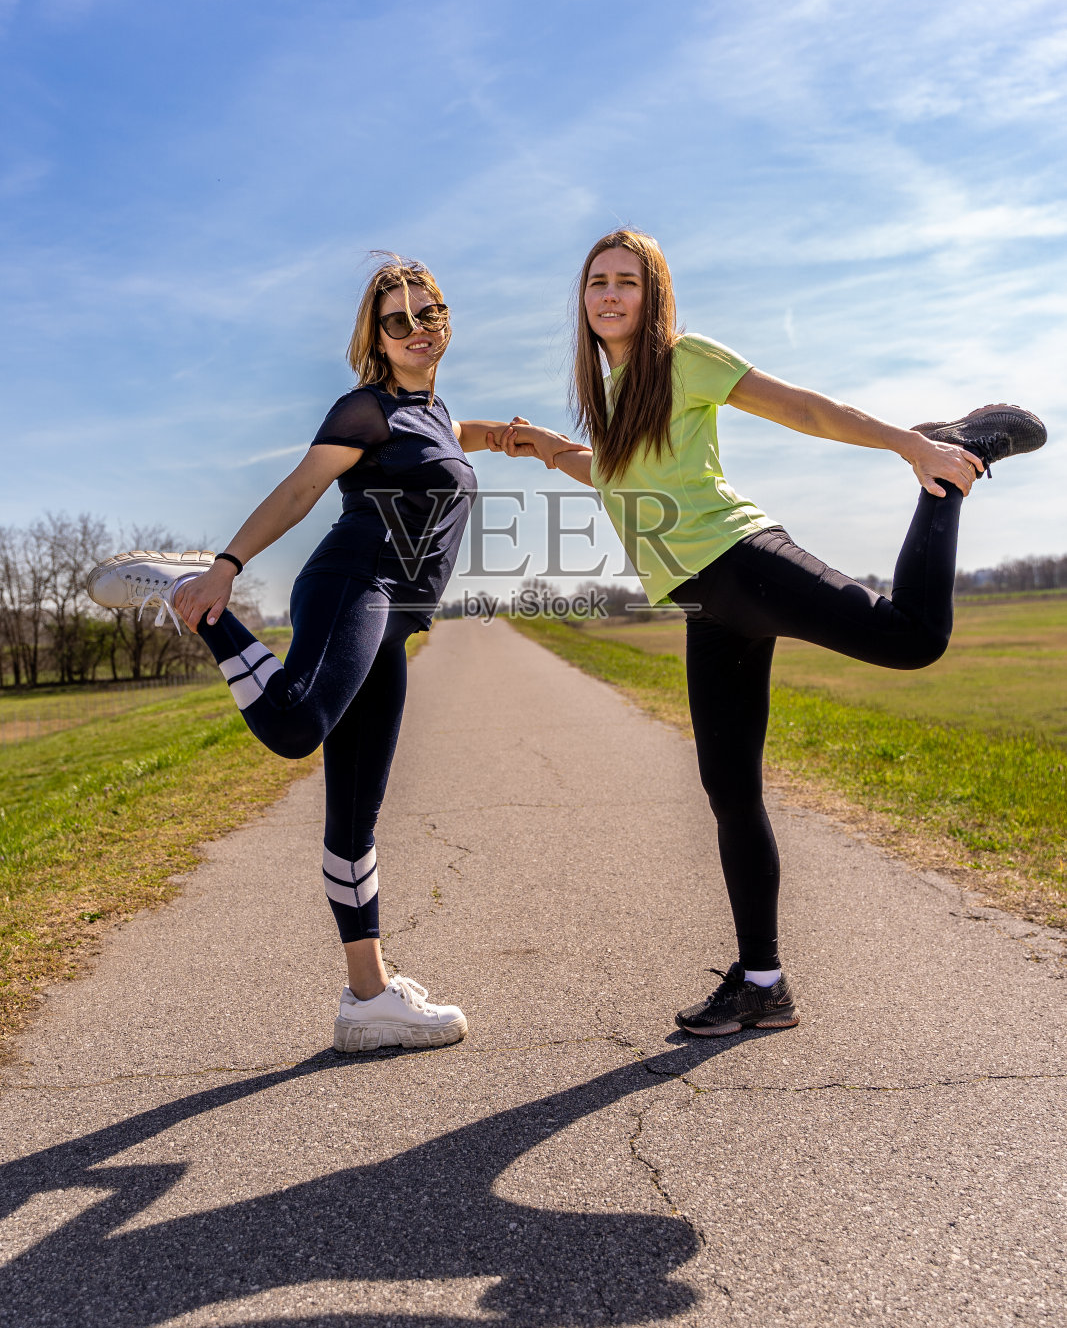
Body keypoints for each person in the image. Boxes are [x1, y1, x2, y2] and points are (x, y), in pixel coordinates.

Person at [492, 229, 1047, 1036]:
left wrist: (908, 445)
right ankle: (762, 983)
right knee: (728, 789)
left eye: (626, 282)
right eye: (596, 283)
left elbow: (800, 409)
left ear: (652, 297)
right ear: (582, 301)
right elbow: (620, 478)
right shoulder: (610, 395)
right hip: (701, 604)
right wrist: (554, 451)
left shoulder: (685, 359)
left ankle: (948, 472)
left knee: (911, 638)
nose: (609, 294)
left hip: (740, 557)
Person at [88, 255, 520, 1053]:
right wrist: (225, 567)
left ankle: (368, 999)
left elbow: (460, 437)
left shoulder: (433, 412)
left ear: (446, 321)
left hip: (395, 618)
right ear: (376, 339)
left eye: (429, 314)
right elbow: (299, 489)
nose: (417, 329)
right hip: (353, 582)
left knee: (355, 813)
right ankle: (189, 596)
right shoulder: (366, 408)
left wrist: (514, 437)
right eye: (398, 321)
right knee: (295, 728)